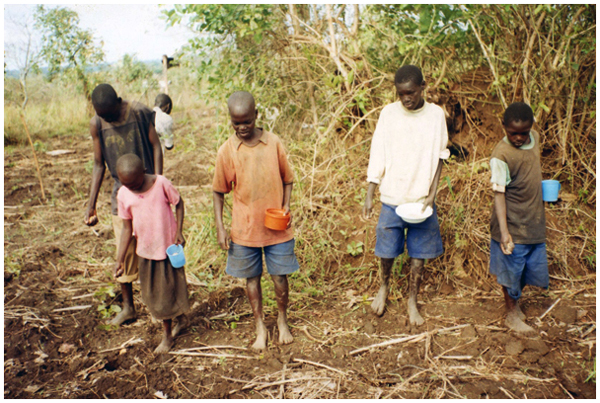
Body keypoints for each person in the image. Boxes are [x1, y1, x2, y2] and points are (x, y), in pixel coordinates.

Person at [363, 65, 450, 326]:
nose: (406, 99)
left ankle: (412, 300)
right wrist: (370, 192)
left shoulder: (436, 116)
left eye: (411, 92)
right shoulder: (389, 114)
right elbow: (377, 152)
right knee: (386, 251)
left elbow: (440, 157)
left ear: (424, 87)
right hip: (392, 196)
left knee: (418, 255)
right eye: (401, 94)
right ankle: (384, 287)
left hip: (420, 200)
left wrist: (431, 196)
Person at [212, 91, 299, 350]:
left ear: (256, 115)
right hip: (244, 228)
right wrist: (220, 227)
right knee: (252, 278)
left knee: (280, 277)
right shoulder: (228, 150)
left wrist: (285, 206)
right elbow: (218, 191)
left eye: (247, 121)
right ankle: (260, 326)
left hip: (277, 227)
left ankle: (282, 320)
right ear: (230, 120)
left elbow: (288, 178)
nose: (242, 127)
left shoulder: (272, 143)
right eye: (236, 122)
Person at [84, 83, 163, 326]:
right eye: (102, 115)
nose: (106, 118)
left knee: (153, 249)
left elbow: (156, 147)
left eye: (109, 114)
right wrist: (91, 204)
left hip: (148, 188)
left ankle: (158, 307)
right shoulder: (97, 124)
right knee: (124, 251)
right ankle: (128, 307)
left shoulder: (139, 112)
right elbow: (99, 164)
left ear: (119, 102)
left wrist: (159, 183)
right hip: (122, 195)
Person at [114, 154, 189, 353]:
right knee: (155, 293)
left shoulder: (161, 183)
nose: (133, 189)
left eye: (136, 183)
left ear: (144, 172)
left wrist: (179, 230)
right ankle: (179, 320)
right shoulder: (123, 194)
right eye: (127, 185)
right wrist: (120, 259)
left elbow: (179, 203)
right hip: (146, 251)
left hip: (167, 249)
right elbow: (126, 229)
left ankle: (167, 337)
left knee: (170, 288)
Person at [489, 102, 548, 333]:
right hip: (511, 224)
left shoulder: (534, 137)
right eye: (513, 133)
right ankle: (511, 313)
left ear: (531, 127)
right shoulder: (501, 155)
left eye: (524, 132)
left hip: (532, 220)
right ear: (503, 126)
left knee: (526, 268)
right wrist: (504, 233)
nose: (519, 138)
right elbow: (499, 195)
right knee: (510, 269)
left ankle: (516, 305)